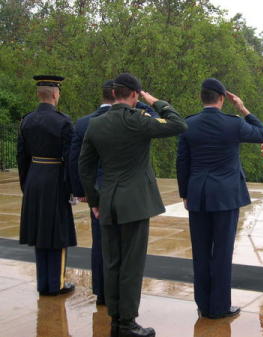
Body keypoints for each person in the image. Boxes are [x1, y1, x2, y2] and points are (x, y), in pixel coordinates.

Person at [79, 73, 187, 337]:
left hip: (108, 201)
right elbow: (179, 124)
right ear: (135, 95)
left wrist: (94, 201)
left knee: (112, 261)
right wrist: (155, 101)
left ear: (114, 94)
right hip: (134, 204)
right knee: (131, 264)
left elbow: (85, 167)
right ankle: (127, 322)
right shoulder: (139, 121)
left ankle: (115, 318)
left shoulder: (95, 124)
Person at [176, 78, 263, 319]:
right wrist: (242, 109)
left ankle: (203, 304)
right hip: (226, 197)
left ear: (202, 98)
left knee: (201, 251)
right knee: (222, 252)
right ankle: (219, 306)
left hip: (198, 195)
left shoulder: (189, 124)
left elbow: (182, 162)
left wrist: (184, 193)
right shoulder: (234, 124)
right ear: (222, 98)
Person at [17, 75, 76, 296]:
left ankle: (43, 283)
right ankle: (56, 283)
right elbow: (70, 159)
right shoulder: (63, 121)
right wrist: (72, 188)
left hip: (33, 177)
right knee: (57, 233)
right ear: (54, 94)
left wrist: (26, 184)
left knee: (40, 233)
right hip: (55, 179)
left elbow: (21, 156)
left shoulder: (27, 120)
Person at [69, 79, 115, 305]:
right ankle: (118, 291)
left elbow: (76, 161)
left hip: (96, 192)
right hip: (121, 190)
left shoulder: (83, 123)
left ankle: (101, 291)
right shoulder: (127, 120)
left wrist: (82, 191)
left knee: (99, 242)